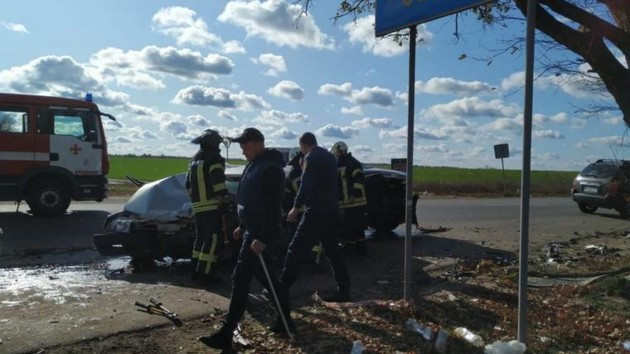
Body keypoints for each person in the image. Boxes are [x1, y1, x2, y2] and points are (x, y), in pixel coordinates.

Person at [199, 127, 287, 350]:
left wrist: (264, 238)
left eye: (246, 146)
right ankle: (287, 321)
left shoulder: (271, 169)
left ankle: (226, 333)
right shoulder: (255, 164)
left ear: (258, 144)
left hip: (259, 235)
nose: (243, 151)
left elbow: (272, 208)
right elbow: (251, 202)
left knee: (240, 280)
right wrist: (242, 225)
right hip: (251, 231)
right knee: (267, 280)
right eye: (242, 147)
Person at [279, 132, 351, 313]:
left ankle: (281, 289)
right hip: (330, 210)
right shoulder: (329, 157)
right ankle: (344, 289)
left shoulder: (310, 157)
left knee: (295, 249)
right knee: (333, 251)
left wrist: (295, 207)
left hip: (315, 211)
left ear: (303, 145)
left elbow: (307, 184)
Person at [186, 129, 228, 284]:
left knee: (201, 238)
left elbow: (188, 184)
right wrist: (224, 198)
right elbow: (217, 181)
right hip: (211, 205)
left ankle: (196, 271)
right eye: (218, 142)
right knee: (214, 239)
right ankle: (206, 274)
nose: (219, 145)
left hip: (197, 206)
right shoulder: (214, 158)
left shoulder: (194, 160)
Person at [330, 141, 368, 253]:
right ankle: (358, 249)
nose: (335, 154)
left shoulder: (352, 163)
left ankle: (354, 249)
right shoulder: (340, 164)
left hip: (355, 202)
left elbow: (360, 179)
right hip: (345, 202)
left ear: (340, 150)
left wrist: (354, 194)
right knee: (351, 227)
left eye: (336, 152)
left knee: (354, 227)